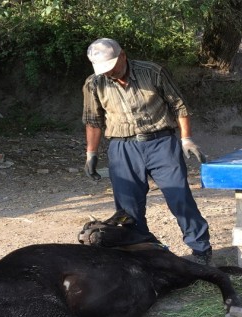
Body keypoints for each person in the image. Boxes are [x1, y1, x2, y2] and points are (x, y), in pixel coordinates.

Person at [81, 37, 213, 265]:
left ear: (122, 55)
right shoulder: (94, 83)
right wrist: (91, 154)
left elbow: (179, 106)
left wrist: (186, 139)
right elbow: (93, 121)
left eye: (112, 67)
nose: (109, 73)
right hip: (123, 148)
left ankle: (201, 250)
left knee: (179, 197)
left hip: (161, 143)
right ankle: (143, 252)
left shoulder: (152, 72)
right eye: (104, 70)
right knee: (127, 209)